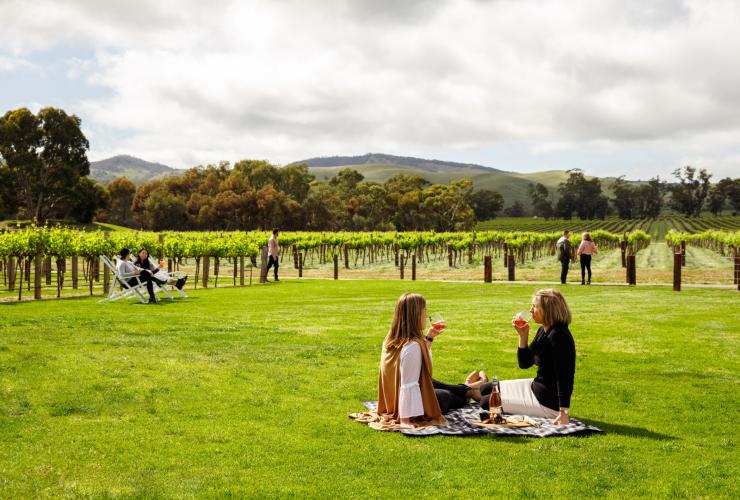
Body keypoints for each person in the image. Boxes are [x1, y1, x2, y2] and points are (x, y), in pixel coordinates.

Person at [356, 293, 486, 430]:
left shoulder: (391, 339)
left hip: (392, 400)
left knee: (432, 383)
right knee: (445, 396)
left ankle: (467, 388)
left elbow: (419, 369)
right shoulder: (412, 346)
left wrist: (429, 337)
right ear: (416, 315)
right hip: (407, 407)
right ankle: (469, 391)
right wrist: (405, 420)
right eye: (424, 312)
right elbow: (408, 384)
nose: (426, 316)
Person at [478, 288, 576, 425]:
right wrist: (523, 336)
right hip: (536, 387)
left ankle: (463, 390)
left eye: (534, 306)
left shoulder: (559, 336)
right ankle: (465, 390)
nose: (531, 310)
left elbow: (565, 377)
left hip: (547, 403)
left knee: (486, 401)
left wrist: (563, 412)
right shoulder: (544, 330)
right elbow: (525, 363)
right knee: (485, 389)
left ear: (547, 310)